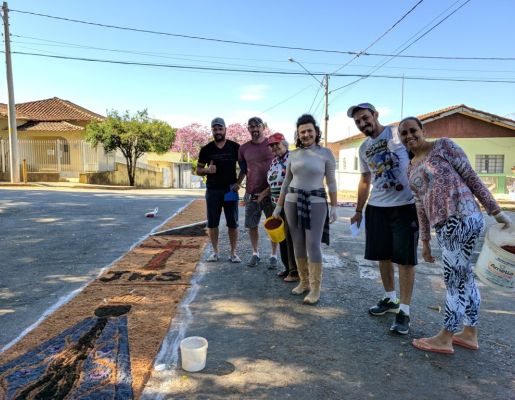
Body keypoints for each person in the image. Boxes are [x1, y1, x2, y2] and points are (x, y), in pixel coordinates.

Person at [397, 116, 512, 354]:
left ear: (422, 130)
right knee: (465, 276)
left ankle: (446, 336)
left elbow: (471, 177)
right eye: (403, 134)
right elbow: (420, 206)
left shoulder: (444, 146)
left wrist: (497, 212)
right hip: (445, 227)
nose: (409, 136)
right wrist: (425, 241)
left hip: (462, 218)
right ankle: (470, 333)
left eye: (412, 130)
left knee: (454, 282)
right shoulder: (411, 169)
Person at [347, 103, 418, 334]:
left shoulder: (397, 133)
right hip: (377, 207)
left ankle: (404, 312)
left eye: (365, 118)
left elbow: (419, 155)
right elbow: (365, 179)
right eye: (358, 121)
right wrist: (359, 210)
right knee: (383, 256)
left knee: (405, 259)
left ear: (376, 115)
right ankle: (390, 299)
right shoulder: (363, 148)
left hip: (405, 206)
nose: (362, 123)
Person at [273, 114, 338, 304]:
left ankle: (316, 288)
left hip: (316, 201)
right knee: (297, 243)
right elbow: (286, 181)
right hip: (291, 201)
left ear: (316, 132)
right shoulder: (293, 154)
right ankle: (304, 282)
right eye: (302, 131)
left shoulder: (326, 153)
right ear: (298, 134)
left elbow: (332, 182)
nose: (306, 134)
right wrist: (278, 206)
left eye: (309, 130)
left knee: (313, 244)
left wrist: (334, 206)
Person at [197, 117, 241, 263]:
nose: (217, 131)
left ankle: (233, 253)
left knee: (233, 223)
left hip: (230, 190)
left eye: (220, 128)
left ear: (225, 130)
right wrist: (207, 170)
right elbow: (198, 170)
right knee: (212, 223)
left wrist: (238, 183)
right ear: (212, 130)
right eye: (215, 129)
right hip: (213, 190)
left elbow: (244, 168)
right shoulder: (206, 149)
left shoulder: (235, 147)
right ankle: (215, 252)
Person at [235, 116, 278, 268]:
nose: (254, 129)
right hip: (252, 192)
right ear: (248, 129)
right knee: (252, 225)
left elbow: (283, 161)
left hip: (271, 192)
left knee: (273, 224)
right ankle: (255, 253)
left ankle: (273, 255)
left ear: (263, 127)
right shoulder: (243, 148)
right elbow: (243, 169)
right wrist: (238, 184)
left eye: (257, 126)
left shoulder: (272, 144)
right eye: (251, 127)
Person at [266, 132, 299, 282]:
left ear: (284, 144)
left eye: (276, 144)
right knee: (282, 237)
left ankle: (295, 271)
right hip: (275, 203)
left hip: (289, 202)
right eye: (271, 146)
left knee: (292, 238)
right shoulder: (274, 161)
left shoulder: (293, 157)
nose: (274, 148)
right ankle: (287, 267)